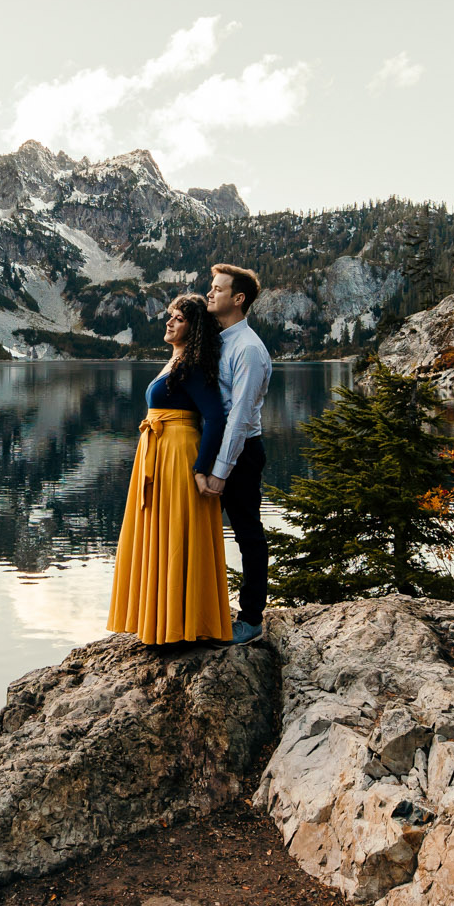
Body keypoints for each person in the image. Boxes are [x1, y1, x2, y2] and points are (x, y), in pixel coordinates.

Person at [107, 293, 236, 646]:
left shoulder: (192, 365)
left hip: (178, 453)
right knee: (163, 531)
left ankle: (180, 626)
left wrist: (201, 469)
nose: (169, 322)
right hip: (159, 450)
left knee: (177, 532)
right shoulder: (177, 360)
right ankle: (165, 621)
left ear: (192, 329)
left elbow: (215, 418)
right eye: (171, 316)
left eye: (178, 318)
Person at [200, 263, 272, 645]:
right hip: (215, 452)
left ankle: (251, 619)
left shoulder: (248, 349)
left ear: (238, 299)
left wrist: (221, 471)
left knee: (248, 535)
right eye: (211, 288)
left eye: (217, 289)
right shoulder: (220, 339)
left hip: (241, 454)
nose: (210, 293)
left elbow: (241, 417)